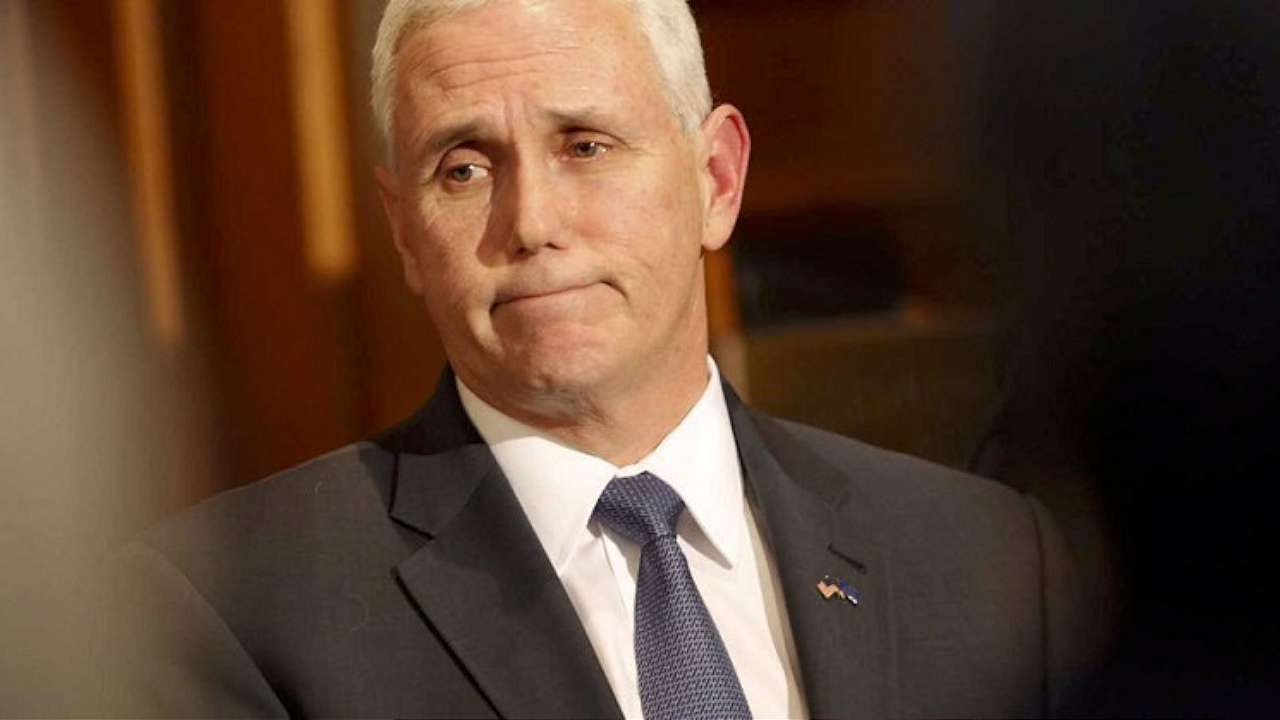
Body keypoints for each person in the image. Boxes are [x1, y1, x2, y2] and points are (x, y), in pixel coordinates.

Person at [87, 0, 1098, 716]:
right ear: (403, 231)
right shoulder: (227, 611)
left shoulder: (994, 562)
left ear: (715, 178)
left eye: (584, 145)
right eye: (464, 167)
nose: (531, 222)